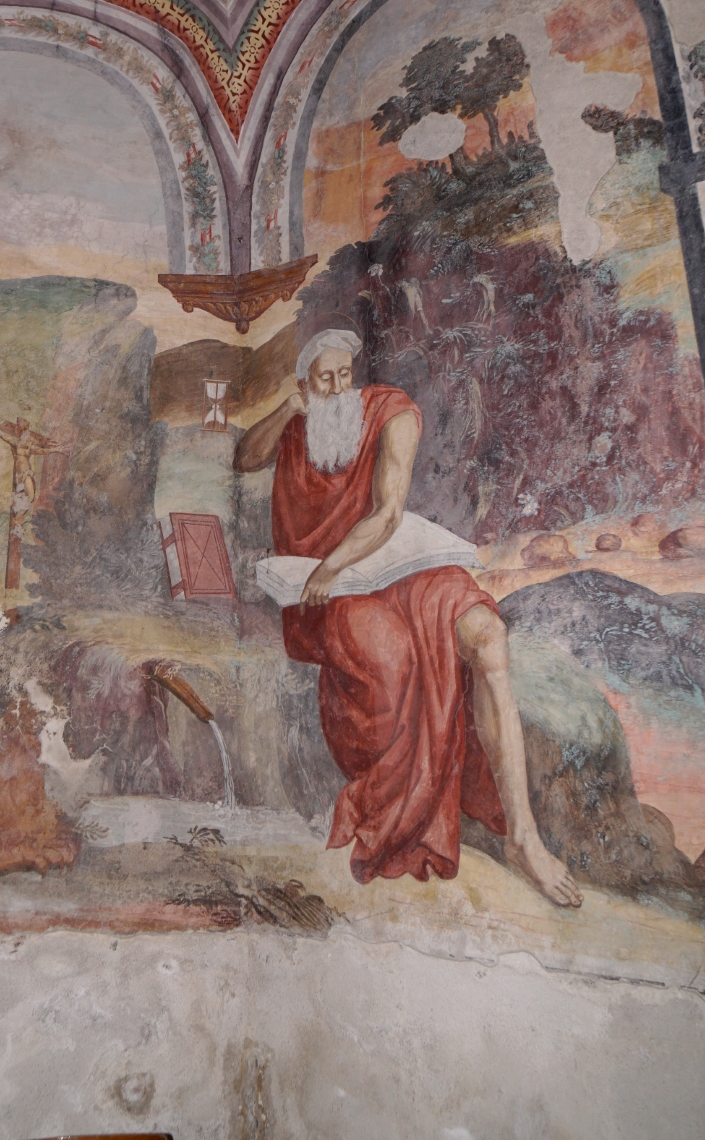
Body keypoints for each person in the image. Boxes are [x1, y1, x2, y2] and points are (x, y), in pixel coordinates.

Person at [234, 329, 582, 907]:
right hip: (337, 593)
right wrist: (288, 409)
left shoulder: (391, 412)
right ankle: (402, 810)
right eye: (324, 379)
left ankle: (524, 837)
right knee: (393, 659)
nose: (339, 388)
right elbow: (245, 457)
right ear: (304, 384)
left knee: (489, 635)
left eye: (345, 375)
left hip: (392, 567)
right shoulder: (299, 422)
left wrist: (330, 566)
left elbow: (389, 514)